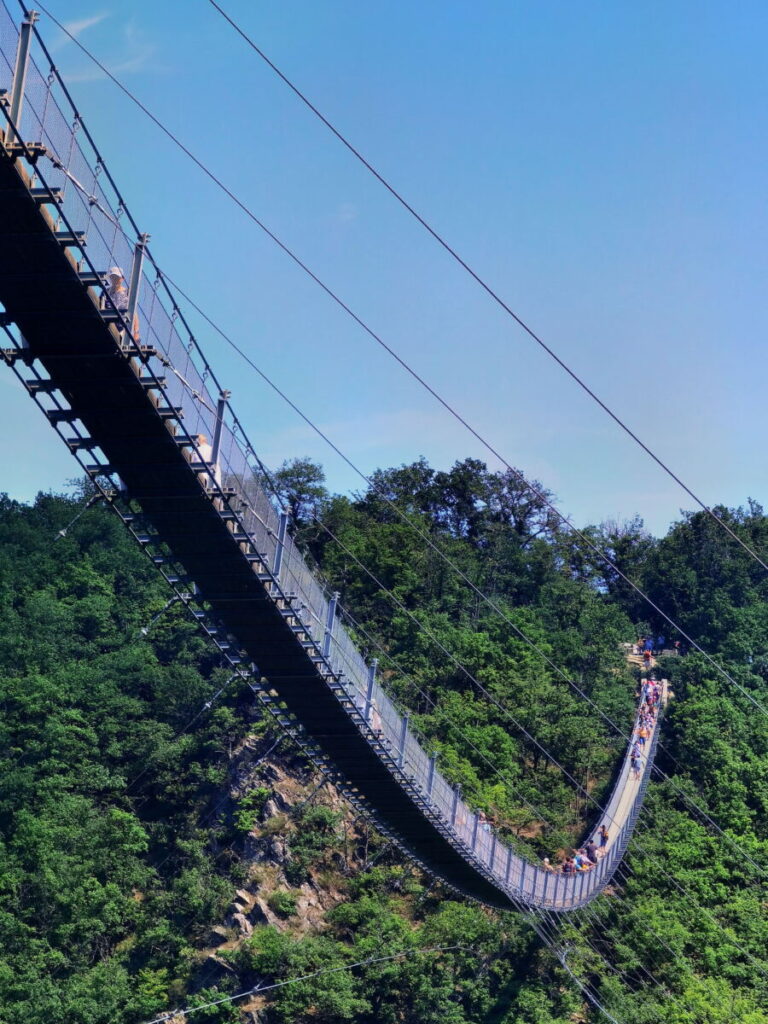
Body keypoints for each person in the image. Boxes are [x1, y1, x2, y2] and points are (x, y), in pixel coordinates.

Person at [103, 266, 140, 342]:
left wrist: (136, 332)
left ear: (122, 279)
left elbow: (134, 313)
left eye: (117, 278)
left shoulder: (127, 293)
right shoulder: (105, 293)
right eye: (113, 277)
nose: (115, 280)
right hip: (108, 326)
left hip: (122, 330)